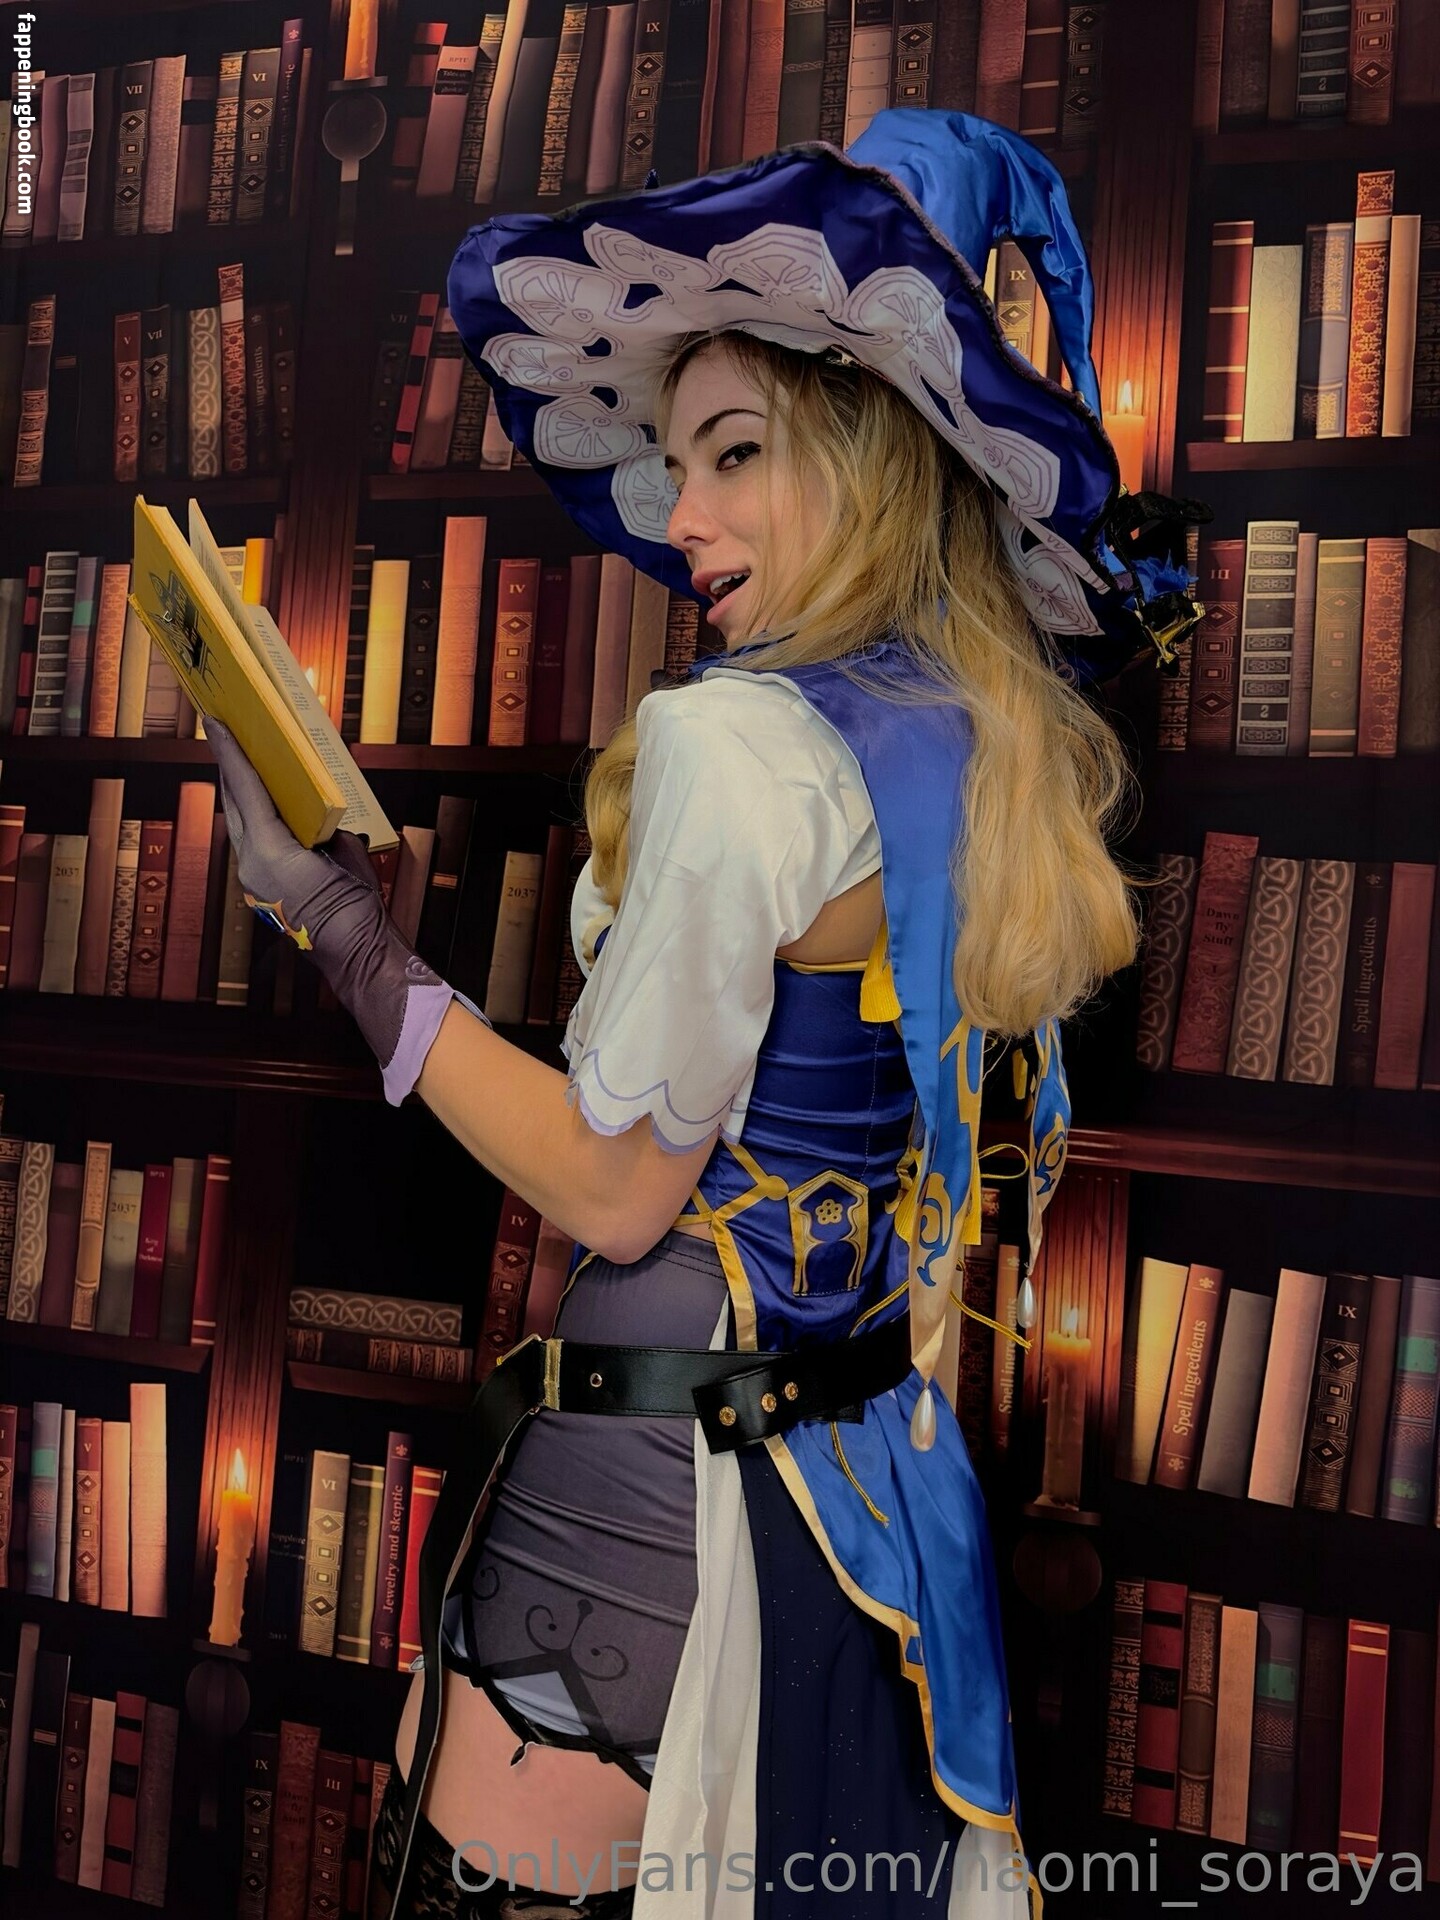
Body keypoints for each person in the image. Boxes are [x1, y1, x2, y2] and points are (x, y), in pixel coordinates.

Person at [204, 110, 1205, 1920]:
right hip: (864, 1504)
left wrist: (334, 924)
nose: (684, 520)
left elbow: (614, 1191)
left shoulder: (738, 741)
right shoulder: (981, 742)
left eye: (736, 451)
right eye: (677, 466)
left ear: (872, 448)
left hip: (640, 1516)